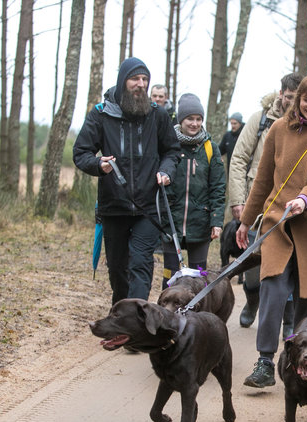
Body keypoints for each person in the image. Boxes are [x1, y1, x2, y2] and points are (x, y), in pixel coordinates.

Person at [236, 73, 307, 388]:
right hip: (279, 224)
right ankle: (265, 362)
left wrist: (304, 199)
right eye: (306, 99)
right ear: (297, 99)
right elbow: (263, 178)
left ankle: (304, 365)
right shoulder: (278, 129)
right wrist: (246, 220)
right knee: (271, 290)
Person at [73, 57, 180, 304]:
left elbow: (172, 151)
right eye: (135, 79)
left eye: (144, 79)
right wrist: (98, 165)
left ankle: (137, 322)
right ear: (123, 82)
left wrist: (166, 171)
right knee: (118, 269)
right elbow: (81, 153)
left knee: (141, 264)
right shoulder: (101, 115)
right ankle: (122, 312)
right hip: (114, 206)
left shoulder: (158, 115)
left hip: (148, 206)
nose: (141, 84)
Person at [228, 72, 303, 331]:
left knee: (286, 264)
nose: (293, 104)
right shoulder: (259, 120)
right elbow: (238, 159)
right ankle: (252, 299)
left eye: (298, 99)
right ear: (281, 94)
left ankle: (289, 321)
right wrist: (239, 200)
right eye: (289, 98)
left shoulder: (306, 125)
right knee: (251, 265)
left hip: (289, 207)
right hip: (256, 202)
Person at [160, 93, 226, 286]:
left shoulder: (210, 149)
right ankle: (167, 313)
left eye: (198, 119)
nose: (194, 124)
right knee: (170, 276)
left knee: (198, 277)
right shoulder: (168, 144)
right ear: (181, 120)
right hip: (171, 222)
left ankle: (197, 313)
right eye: (190, 118)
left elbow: (218, 187)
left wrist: (216, 221)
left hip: (200, 223)